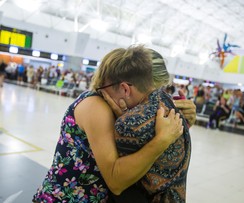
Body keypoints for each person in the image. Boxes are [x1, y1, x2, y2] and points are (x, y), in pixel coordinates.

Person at [33, 46, 195, 203]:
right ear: (126, 88)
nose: (152, 105)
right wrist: (162, 140)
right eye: (151, 96)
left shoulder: (123, 110)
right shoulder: (96, 107)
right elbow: (116, 182)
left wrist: (183, 122)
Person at [92, 46, 191, 202]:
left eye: (104, 89)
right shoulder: (168, 104)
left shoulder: (129, 124)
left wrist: (161, 141)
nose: (103, 95)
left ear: (125, 88)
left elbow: (117, 184)